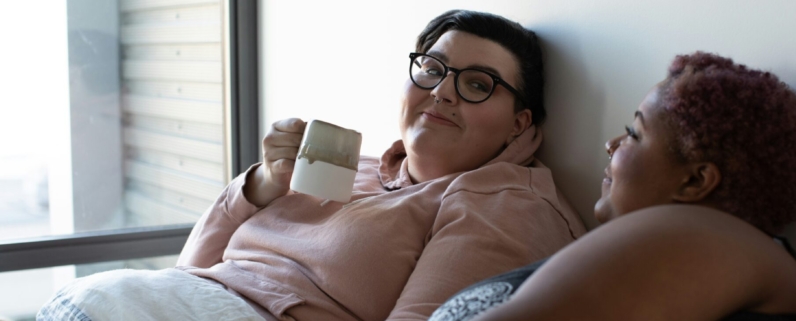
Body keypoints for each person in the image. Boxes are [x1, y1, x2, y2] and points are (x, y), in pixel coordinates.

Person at [37, 10, 585, 321]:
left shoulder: (501, 202)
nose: (441, 92)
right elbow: (193, 269)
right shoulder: (359, 166)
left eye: (476, 84)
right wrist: (262, 185)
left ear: (519, 123)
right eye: (433, 68)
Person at [429, 52, 796, 321]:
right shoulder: (716, 248)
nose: (611, 145)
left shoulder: (699, 234)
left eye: (632, 133)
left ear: (694, 181)